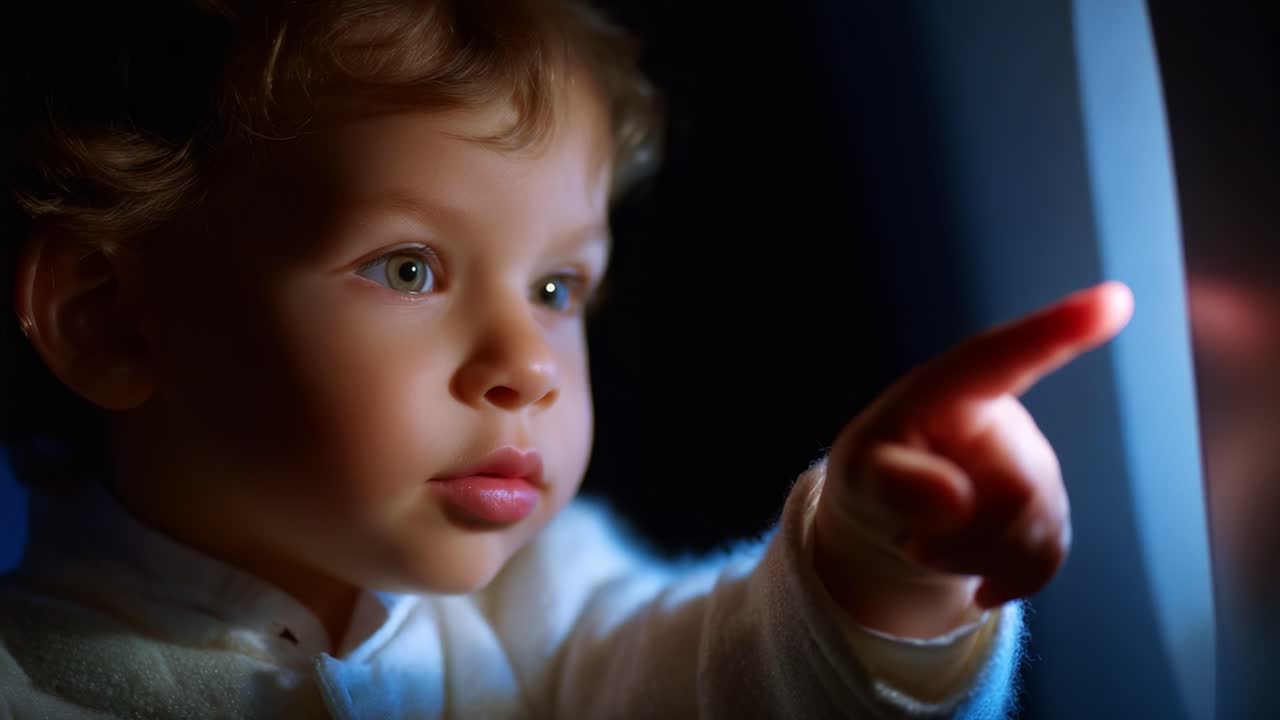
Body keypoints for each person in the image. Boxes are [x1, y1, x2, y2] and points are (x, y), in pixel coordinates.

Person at [0, 1, 1133, 717]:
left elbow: (718, 684)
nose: (527, 366)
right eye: (407, 269)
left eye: (556, 289)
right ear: (111, 320)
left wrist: (885, 575)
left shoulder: (544, 601)